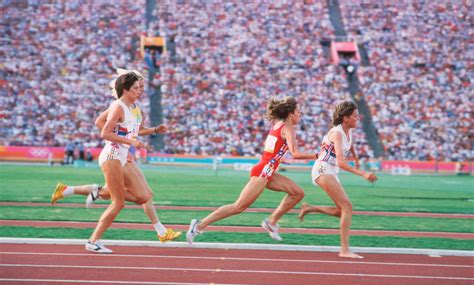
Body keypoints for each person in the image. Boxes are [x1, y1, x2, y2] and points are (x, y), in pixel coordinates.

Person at [51, 69, 181, 245]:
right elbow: (103, 128)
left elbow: (135, 131)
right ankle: (94, 239)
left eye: (141, 86)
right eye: (137, 87)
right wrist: (127, 141)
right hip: (114, 155)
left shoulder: (135, 107)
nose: (141, 90)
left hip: (124, 155)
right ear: (126, 88)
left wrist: (155, 130)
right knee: (120, 201)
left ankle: (80, 191)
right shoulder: (118, 106)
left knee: (144, 196)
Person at [186, 96, 317, 244]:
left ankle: (271, 222)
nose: (300, 115)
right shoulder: (287, 128)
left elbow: (270, 149)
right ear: (291, 114)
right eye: (299, 112)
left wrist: (279, 158)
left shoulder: (277, 125)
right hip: (263, 172)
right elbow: (296, 154)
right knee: (239, 206)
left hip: (267, 170)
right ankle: (199, 225)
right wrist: (319, 155)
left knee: (297, 193)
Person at [297, 100, 377, 259]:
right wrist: (363, 173)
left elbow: (349, 144)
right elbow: (341, 161)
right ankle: (344, 250)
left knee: (342, 210)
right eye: (354, 116)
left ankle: (309, 208)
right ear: (345, 118)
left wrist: (355, 156)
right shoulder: (336, 133)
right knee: (348, 206)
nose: (357, 118)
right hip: (323, 168)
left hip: (331, 170)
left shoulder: (348, 131)